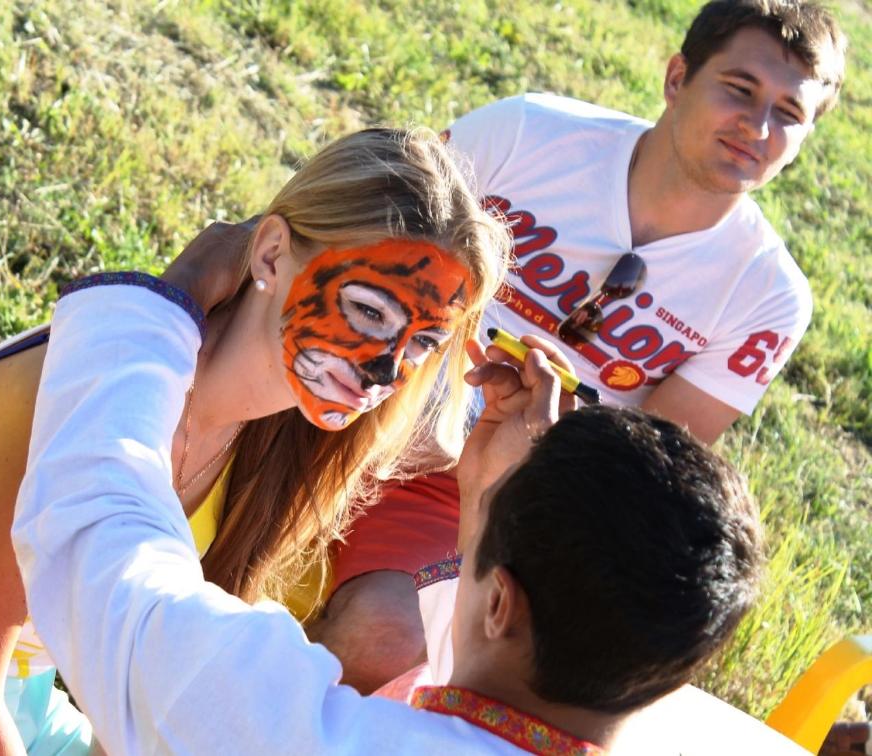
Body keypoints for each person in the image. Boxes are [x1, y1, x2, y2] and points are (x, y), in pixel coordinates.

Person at [0, 127, 510, 754]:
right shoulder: (69, 394)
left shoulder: (278, 442)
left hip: (19, 710)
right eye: (367, 311)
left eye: (422, 343)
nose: (386, 370)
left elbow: (148, 694)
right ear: (272, 254)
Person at [310, 0, 850, 694]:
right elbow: (353, 240)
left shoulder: (767, 295)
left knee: (384, 637)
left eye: (790, 113)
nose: (759, 125)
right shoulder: (530, 131)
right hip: (354, 388)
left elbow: (628, 472)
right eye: (739, 89)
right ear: (677, 77)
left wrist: (532, 434)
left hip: (480, 492)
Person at [9, 267, 767, 753]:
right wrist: (490, 491)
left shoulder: (297, 732)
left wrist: (161, 308)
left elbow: (95, 542)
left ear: (500, 604)